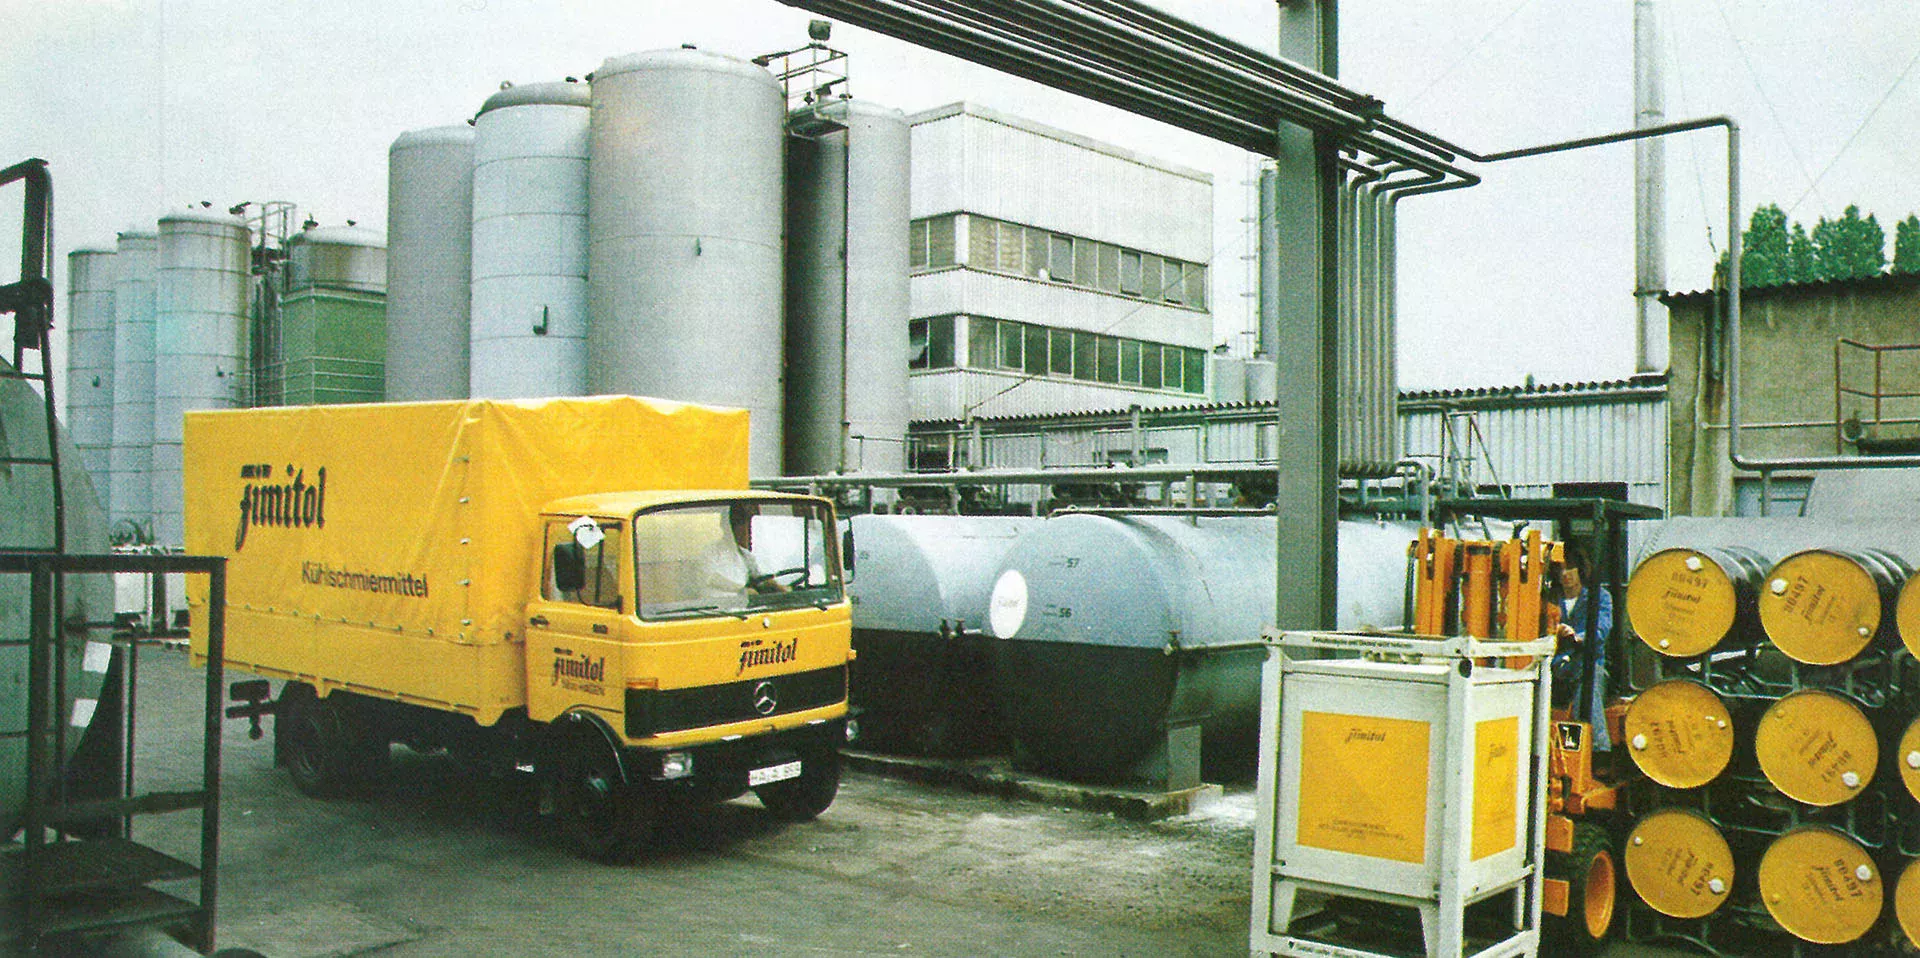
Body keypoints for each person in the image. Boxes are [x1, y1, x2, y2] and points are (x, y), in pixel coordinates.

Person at [1551, 546, 1613, 751]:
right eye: (1560, 569)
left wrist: (1577, 637)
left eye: (1570, 568)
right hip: (1554, 665)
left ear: (1580, 569)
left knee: (1588, 684)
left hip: (1588, 662)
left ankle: (1597, 749)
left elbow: (1602, 628)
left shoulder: (1599, 597)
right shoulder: (1549, 599)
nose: (1565, 574)